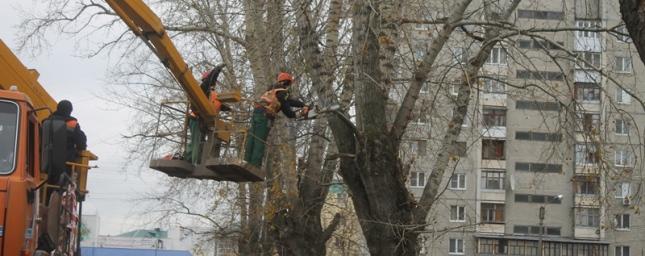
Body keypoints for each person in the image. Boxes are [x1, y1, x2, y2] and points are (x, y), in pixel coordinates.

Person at [244, 72, 309, 168]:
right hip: (265, 116)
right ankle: (254, 166)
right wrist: (299, 113)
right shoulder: (283, 93)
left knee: (252, 138)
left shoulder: (272, 91)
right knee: (260, 140)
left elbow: (289, 102)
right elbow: (288, 111)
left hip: (256, 114)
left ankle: (246, 162)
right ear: (287, 83)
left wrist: (302, 105)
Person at [183, 64, 231, 164]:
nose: (214, 83)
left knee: (199, 141)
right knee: (197, 141)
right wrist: (217, 70)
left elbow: (216, 104)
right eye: (211, 81)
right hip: (196, 119)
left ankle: (189, 159)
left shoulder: (211, 93)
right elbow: (210, 80)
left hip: (203, 121)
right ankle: (193, 163)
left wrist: (228, 109)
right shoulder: (202, 89)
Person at [43, 100, 87, 186]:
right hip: (65, 166)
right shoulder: (72, 124)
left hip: (44, 164)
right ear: (70, 111)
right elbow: (81, 143)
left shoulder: (46, 122)